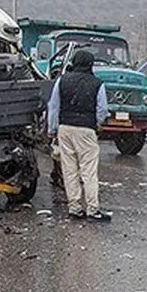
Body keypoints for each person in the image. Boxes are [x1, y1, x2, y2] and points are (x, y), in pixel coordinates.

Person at [46, 49, 111, 222]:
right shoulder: (97, 84)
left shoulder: (62, 81)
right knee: (88, 171)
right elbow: (103, 109)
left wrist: (52, 129)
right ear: (91, 64)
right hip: (86, 130)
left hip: (65, 128)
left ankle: (74, 208)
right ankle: (92, 209)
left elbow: (53, 107)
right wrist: (96, 123)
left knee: (69, 170)